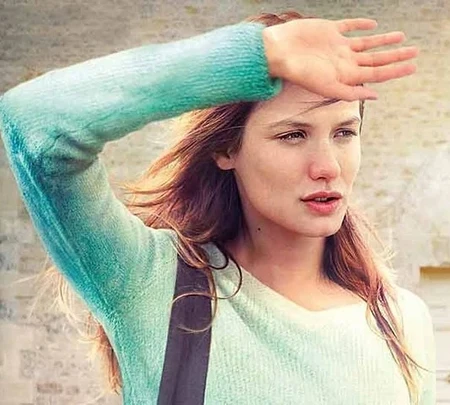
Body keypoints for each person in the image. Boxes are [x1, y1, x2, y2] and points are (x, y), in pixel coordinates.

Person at [0, 9, 435, 405]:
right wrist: (258, 55)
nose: (328, 167)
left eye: (344, 133)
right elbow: (35, 122)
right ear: (226, 148)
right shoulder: (152, 285)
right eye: (292, 135)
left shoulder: (402, 321)